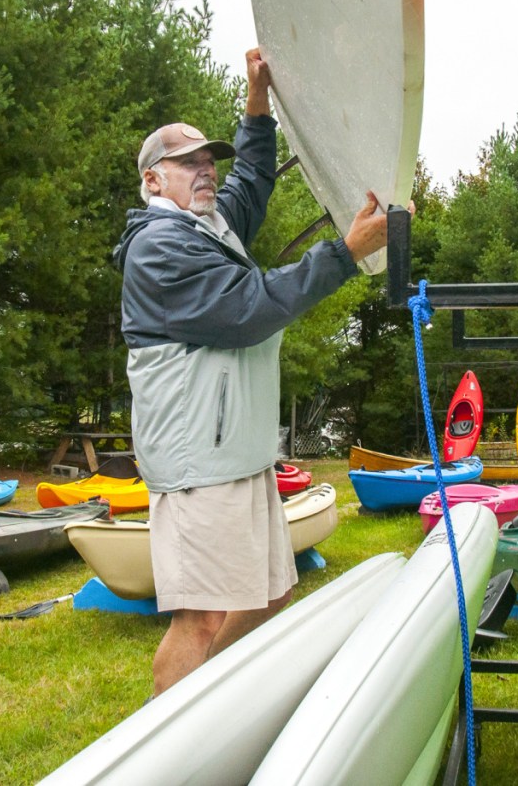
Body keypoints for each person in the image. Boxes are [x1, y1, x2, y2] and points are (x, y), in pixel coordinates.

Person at [114, 47, 406, 697]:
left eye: (207, 159)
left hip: (234, 457)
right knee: (202, 616)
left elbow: (252, 180)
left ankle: (207, 707)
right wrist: (346, 253)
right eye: (186, 163)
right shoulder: (159, 249)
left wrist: (257, 96)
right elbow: (251, 310)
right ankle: (168, 750)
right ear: (153, 182)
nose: (205, 170)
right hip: (195, 463)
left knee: (270, 594)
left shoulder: (205, 227)